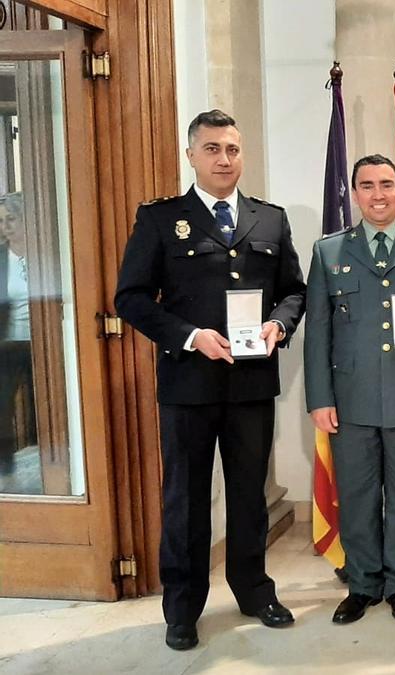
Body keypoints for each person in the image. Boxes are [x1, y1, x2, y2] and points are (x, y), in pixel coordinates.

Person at [114, 110, 306, 650]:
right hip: (189, 384)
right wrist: (190, 335)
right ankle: (182, 607)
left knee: (250, 495)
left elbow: (295, 290)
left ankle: (254, 590)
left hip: (251, 385)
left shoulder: (270, 219)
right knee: (187, 500)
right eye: (214, 149)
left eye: (233, 149)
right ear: (191, 155)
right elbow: (129, 298)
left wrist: (279, 324)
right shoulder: (160, 219)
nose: (225, 159)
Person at [304, 154, 395, 625]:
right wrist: (319, 399)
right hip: (351, 401)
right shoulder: (329, 252)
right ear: (354, 193)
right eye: (366, 185)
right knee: (359, 493)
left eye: (386, 183)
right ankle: (363, 584)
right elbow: (317, 334)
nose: (378, 194)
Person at [0, 192, 34, 481]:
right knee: (4, 404)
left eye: (11, 219)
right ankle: (5, 469)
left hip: (44, 343)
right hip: (8, 344)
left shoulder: (44, 252)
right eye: (1, 221)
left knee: (42, 405)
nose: (6, 227)